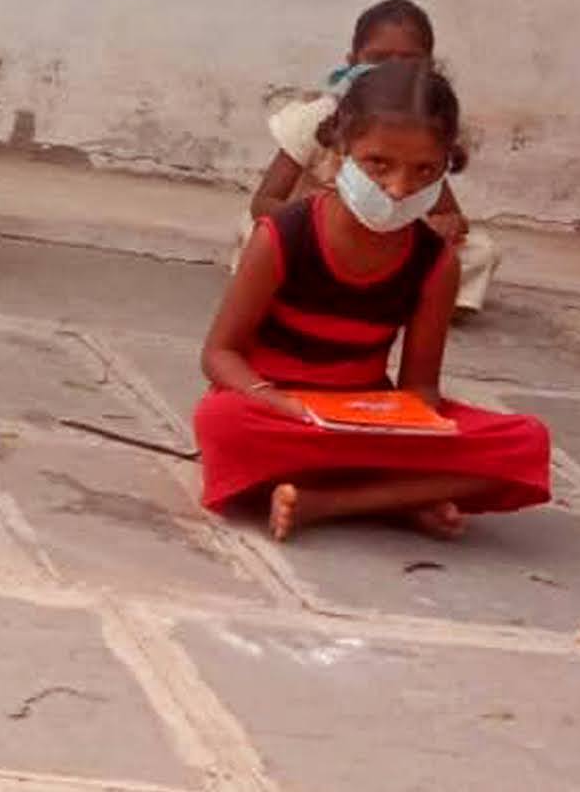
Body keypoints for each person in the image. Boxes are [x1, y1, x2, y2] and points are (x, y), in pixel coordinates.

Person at [195, 62, 551, 541]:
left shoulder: (435, 262)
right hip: (280, 413)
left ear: (447, 165)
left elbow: (420, 387)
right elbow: (219, 354)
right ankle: (400, 498)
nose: (399, 189)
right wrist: (276, 401)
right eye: (379, 164)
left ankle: (328, 502)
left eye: (425, 170)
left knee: (526, 443)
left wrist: (401, 425)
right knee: (221, 422)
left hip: (366, 418)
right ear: (342, 147)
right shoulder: (283, 236)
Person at [243, 0, 500, 315]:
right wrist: (312, 221)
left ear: (429, 67)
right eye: (378, 59)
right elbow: (263, 202)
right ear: (352, 62)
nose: (391, 70)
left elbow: (450, 215)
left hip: (388, 244)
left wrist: (444, 226)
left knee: (479, 252)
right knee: (259, 236)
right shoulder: (315, 118)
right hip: (316, 236)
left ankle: (411, 302)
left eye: (408, 61)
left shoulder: (426, 128)